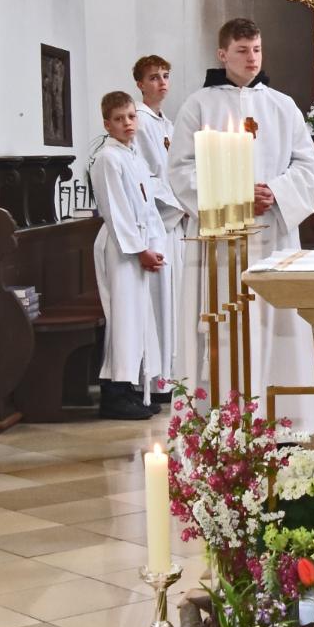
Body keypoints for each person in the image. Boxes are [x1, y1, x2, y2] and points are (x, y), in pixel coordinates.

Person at [168, 18, 314, 433]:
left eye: (256, 50)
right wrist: (235, 193)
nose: (251, 58)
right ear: (222, 54)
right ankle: (217, 417)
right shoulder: (198, 105)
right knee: (223, 321)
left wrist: (275, 191)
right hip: (221, 240)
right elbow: (181, 170)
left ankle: (283, 422)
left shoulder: (282, 105)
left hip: (273, 231)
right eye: (242, 50)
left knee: (278, 321)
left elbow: (308, 166)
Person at [91, 92, 166, 421]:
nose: (127, 123)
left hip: (137, 246)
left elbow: (146, 205)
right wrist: (140, 249)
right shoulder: (108, 158)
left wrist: (152, 243)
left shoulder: (132, 155)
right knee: (123, 318)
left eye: (131, 117)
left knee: (137, 318)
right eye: (119, 119)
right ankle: (114, 393)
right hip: (122, 247)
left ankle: (132, 388)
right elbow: (116, 210)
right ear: (107, 123)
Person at [130, 54, 189, 407]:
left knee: (174, 301)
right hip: (158, 223)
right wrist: (178, 205)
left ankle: (171, 376)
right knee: (158, 303)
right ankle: (154, 379)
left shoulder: (168, 123)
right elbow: (143, 178)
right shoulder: (138, 121)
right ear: (139, 83)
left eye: (166, 76)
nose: (162, 83)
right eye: (154, 77)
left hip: (175, 222)